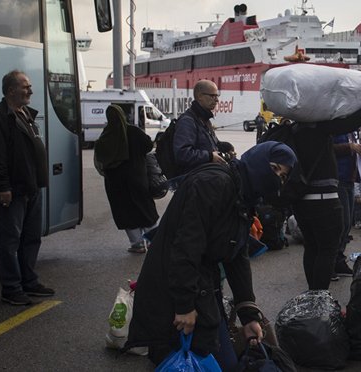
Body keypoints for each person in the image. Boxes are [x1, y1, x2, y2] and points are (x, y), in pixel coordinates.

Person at [126, 142, 296, 369]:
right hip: (174, 291)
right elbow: (186, 248)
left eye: (282, 176)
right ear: (257, 160)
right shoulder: (214, 184)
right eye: (274, 168)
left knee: (214, 360)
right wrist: (184, 306)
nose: (276, 179)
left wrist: (248, 313)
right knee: (196, 360)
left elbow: (237, 255)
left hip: (202, 287)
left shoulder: (243, 194)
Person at [293, 81, 361, 290]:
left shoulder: (295, 128)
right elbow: (349, 123)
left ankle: (312, 294)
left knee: (312, 248)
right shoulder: (319, 127)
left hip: (302, 200)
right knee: (327, 248)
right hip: (324, 198)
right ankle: (319, 297)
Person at [0, 70, 55, 306]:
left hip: (31, 187)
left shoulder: (24, 114)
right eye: (25, 87)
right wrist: (3, 186)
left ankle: (28, 281)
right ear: (11, 90)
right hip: (14, 189)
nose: (30, 91)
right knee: (10, 241)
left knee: (31, 238)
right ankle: (11, 289)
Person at [94, 105, 159, 253]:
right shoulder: (134, 131)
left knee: (125, 211)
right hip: (137, 179)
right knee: (145, 209)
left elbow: (101, 158)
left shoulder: (106, 136)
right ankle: (154, 242)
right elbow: (148, 146)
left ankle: (137, 244)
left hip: (116, 183)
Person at [174, 80, 225, 175]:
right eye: (212, 96)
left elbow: (213, 144)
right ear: (200, 96)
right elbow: (182, 154)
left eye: (217, 96)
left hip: (206, 175)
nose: (217, 100)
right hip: (195, 181)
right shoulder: (187, 121)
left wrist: (226, 148)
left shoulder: (205, 120)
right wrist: (209, 157)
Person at [331, 131, 361, 279]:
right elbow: (328, 148)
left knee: (347, 223)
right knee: (340, 224)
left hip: (349, 180)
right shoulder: (336, 126)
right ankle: (331, 264)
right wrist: (349, 146)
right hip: (339, 178)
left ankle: (339, 260)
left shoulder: (351, 129)